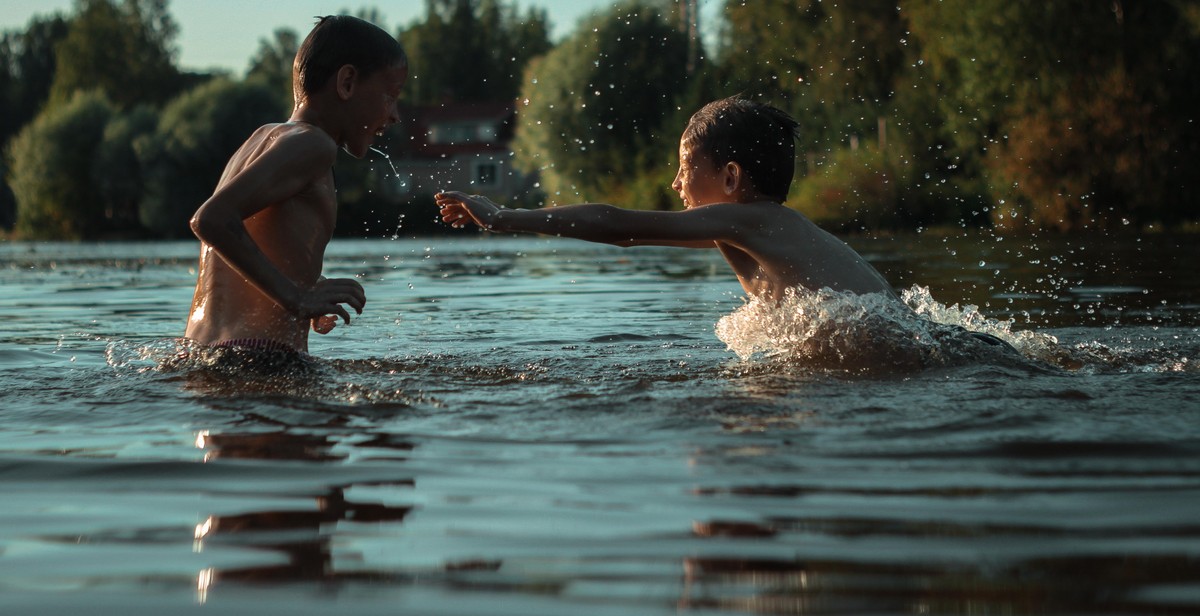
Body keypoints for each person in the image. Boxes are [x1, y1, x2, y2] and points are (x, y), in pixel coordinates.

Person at [435, 96, 896, 303]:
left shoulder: (751, 222)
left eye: (684, 168)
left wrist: (504, 217)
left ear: (731, 178)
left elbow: (619, 227)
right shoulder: (761, 232)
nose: (676, 184)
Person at [183, 16, 407, 356]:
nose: (395, 115)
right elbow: (212, 219)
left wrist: (308, 287)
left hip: (204, 352)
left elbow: (257, 234)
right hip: (258, 356)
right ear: (347, 82)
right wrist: (296, 299)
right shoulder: (314, 145)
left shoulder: (262, 139)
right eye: (390, 96)